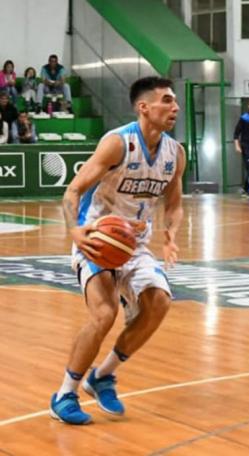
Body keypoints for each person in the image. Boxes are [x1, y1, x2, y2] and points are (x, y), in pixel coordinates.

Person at [50, 76, 185, 425]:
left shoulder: (175, 153)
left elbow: (174, 203)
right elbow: (73, 191)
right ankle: (65, 393)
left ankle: (103, 375)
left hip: (134, 244)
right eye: (167, 101)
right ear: (144, 107)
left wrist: (170, 234)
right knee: (105, 313)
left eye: (175, 101)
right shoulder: (117, 143)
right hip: (98, 238)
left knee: (159, 303)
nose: (175, 107)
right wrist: (75, 230)